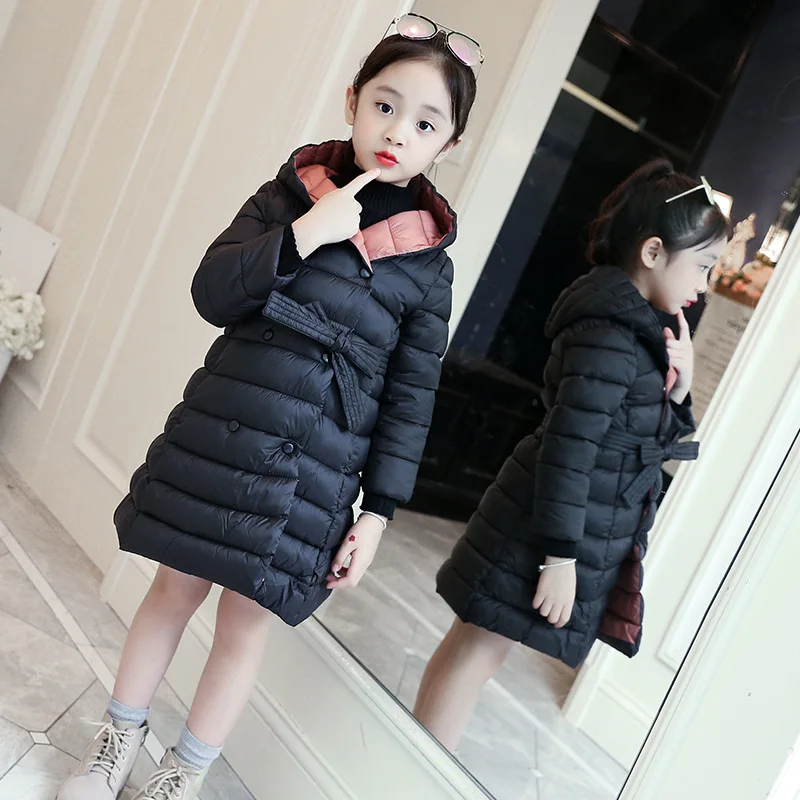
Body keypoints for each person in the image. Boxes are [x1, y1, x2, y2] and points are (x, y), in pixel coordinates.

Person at [58, 14, 480, 800]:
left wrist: (378, 513)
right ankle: (116, 740)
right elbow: (211, 292)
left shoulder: (428, 263)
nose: (398, 132)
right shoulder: (290, 192)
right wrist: (302, 236)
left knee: (243, 624)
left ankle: (181, 776)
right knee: (173, 587)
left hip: (316, 472)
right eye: (385, 105)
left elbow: (412, 396)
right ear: (352, 101)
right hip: (226, 429)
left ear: (448, 144)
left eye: (426, 123)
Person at [415, 160, 730, 752]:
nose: (705, 285)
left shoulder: (633, 331)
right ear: (654, 252)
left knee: (475, 647)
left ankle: (412, 768)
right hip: (540, 528)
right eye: (703, 265)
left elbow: (631, 440)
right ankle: (414, 773)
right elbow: (569, 448)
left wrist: (679, 391)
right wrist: (560, 558)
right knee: (476, 649)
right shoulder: (611, 334)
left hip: (548, 523)